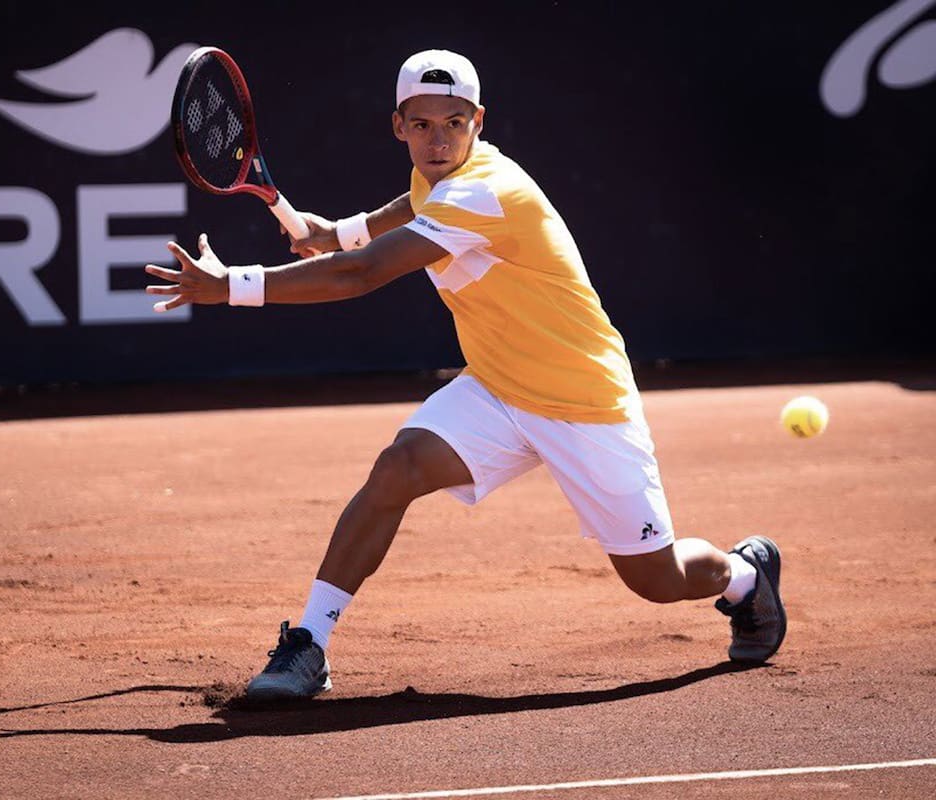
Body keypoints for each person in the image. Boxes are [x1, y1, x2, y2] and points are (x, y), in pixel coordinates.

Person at [144, 49, 786, 702]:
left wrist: (234, 286)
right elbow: (410, 205)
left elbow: (362, 275)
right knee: (398, 467)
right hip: (501, 389)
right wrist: (337, 230)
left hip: (584, 403)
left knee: (656, 578)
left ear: (478, 121)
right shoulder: (440, 177)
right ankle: (309, 643)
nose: (439, 137)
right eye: (422, 124)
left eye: (454, 122)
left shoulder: (487, 189)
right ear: (399, 126)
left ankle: (743, 576)